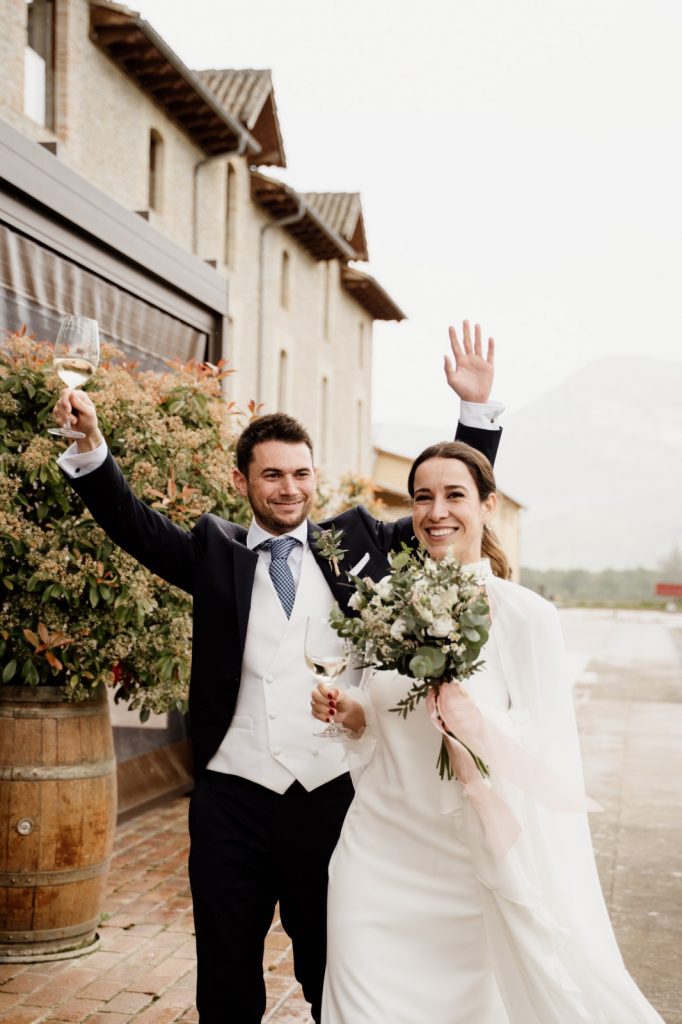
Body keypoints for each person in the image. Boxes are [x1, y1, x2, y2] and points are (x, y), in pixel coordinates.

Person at [53, 323, 502, 1023]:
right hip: (232, 797)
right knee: (227, 973)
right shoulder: (212, 551)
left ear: (314, 476)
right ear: (243, 481)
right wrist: (90, 449)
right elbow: (134, 524)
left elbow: (443, 509)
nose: (289, 489)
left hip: (332, 799)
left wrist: (474, 416)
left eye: (300, 473)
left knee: (333, 966)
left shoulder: (358, 543)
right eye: (271, 474)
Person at [311, 442, 667, 1024]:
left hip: (465, 861)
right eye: (422, 496)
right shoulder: (382, 606)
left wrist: (476, 722)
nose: (435, 511)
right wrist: (349, 713)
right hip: (375, 856)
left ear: (488, 506)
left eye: (455, 495)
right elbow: (380, 720)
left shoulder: (527, 617)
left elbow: (547, 750)